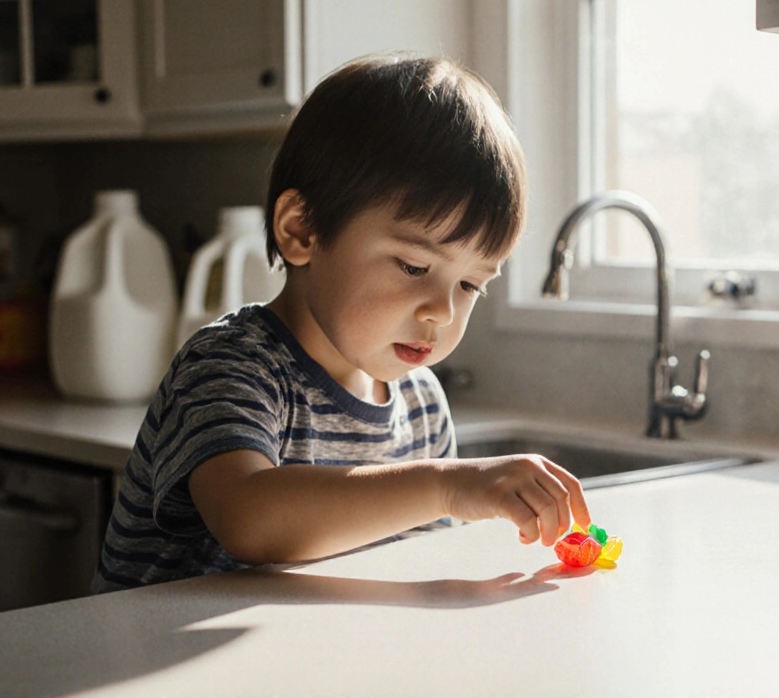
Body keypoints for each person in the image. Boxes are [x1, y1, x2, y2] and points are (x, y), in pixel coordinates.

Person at [93, 54, 590, 593]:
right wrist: (450, 486)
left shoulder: (421, 407)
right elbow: (248, 517)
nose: (442, 311)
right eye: (413, 267)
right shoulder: (232, 366)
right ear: (301, 230)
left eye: (470, 285)